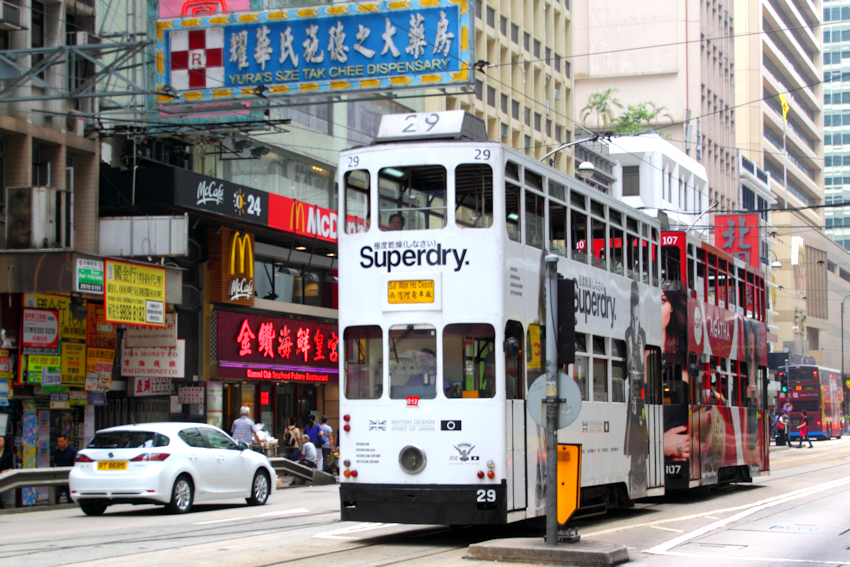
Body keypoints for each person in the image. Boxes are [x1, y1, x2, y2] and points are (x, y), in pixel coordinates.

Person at [53, 435, 77, 504]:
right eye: (58, 442)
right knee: (56, 495)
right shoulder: (57, 451)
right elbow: (55, 463)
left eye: (61, 441)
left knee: (70, 497)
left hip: (68, 476)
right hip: (59, 476)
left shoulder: (72, 451)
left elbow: (75, 464)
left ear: (66, 440)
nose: (60, 443)